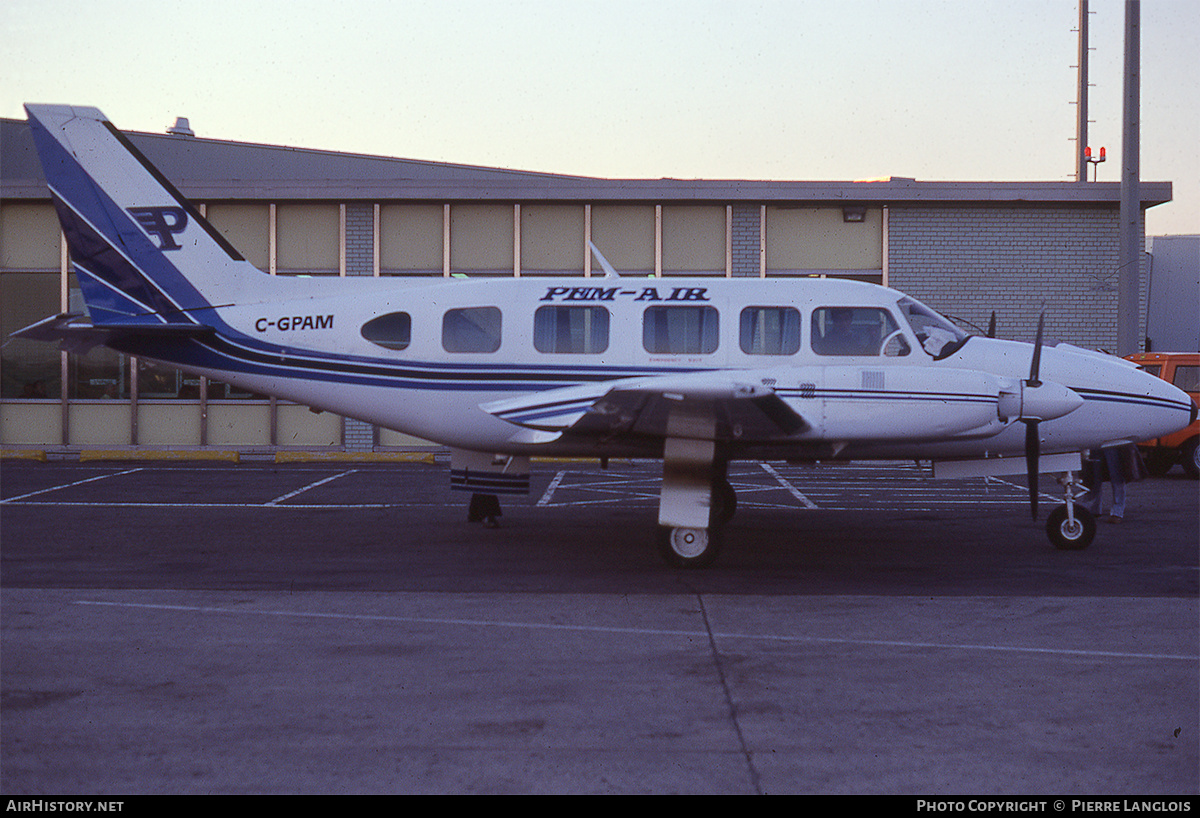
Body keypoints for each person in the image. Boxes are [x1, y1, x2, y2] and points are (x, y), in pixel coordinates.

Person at [1081, 443, 1146, 523]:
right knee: (1095, 475)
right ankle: (1097, 509)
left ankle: (1115, 512)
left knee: (1115, 475)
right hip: (1102, 441)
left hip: (1110, 441)